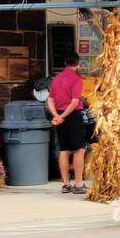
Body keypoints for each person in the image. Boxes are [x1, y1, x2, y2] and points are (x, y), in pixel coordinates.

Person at [46, 53, 87, 194]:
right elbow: (75, 102)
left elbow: (50, 99)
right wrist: (62, 116)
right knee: (79, 150)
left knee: (64, 150)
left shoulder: (56, 78)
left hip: (59, 115)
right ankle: (78, 184)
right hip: (72, 116)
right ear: (78, 64)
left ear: (65, 62)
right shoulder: (76, 79)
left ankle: (65, 184)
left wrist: (56, 115)